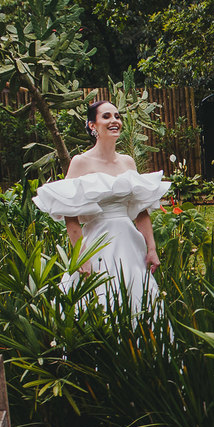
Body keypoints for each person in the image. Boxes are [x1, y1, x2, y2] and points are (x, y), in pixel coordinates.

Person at [34, 99, 169, 311]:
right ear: (92, 125)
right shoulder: (81, 162)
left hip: (130, 244)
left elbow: (141, 211)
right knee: (98, 299)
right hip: (97, 245)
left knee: (136, 297)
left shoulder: (128, 162)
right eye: (106, 116)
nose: (114, 120)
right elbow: (71, 215)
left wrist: (151, 249)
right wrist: (81, 256)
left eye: (117, 116)